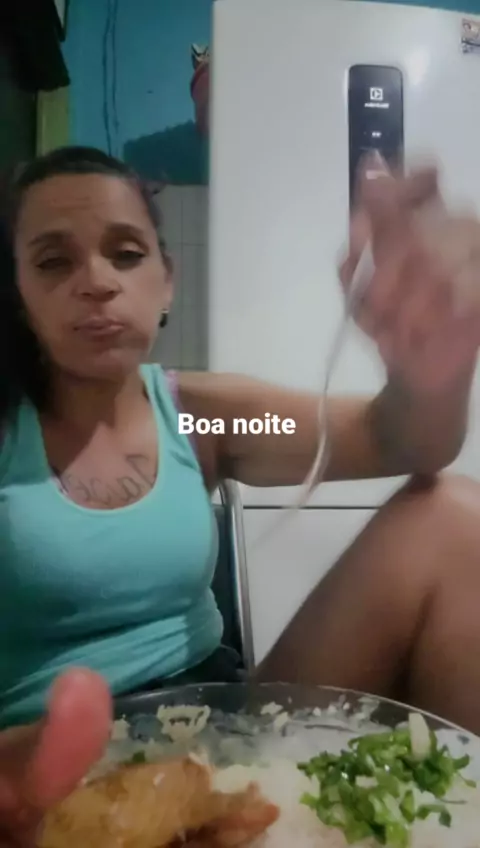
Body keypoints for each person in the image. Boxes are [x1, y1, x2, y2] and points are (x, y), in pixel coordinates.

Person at [2, 145, 480, 760]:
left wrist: (433, 367)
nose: (97, 281)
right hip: (47, 767)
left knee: (451, 517)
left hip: (223, 739)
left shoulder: (198, 417)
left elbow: (400, 439)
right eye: (53, 261)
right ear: (18, 293)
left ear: (166, 280)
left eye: (126, 253)